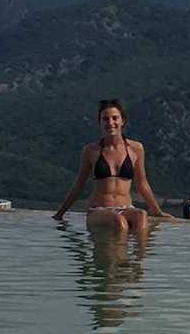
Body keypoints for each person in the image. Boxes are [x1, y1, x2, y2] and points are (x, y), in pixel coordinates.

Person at [53, 98, 170, 234]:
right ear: (100, 122)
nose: (111, 123)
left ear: (122, 121)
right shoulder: (91, 151)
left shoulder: (136, 149)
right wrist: (60, 213)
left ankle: (140, 256)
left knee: (141, 216)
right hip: (99, 210)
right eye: (105, 119)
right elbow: (79, 185)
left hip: (126, 207)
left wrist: (157, 211)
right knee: (119, 222)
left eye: (115, 118)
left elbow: (142, 184)